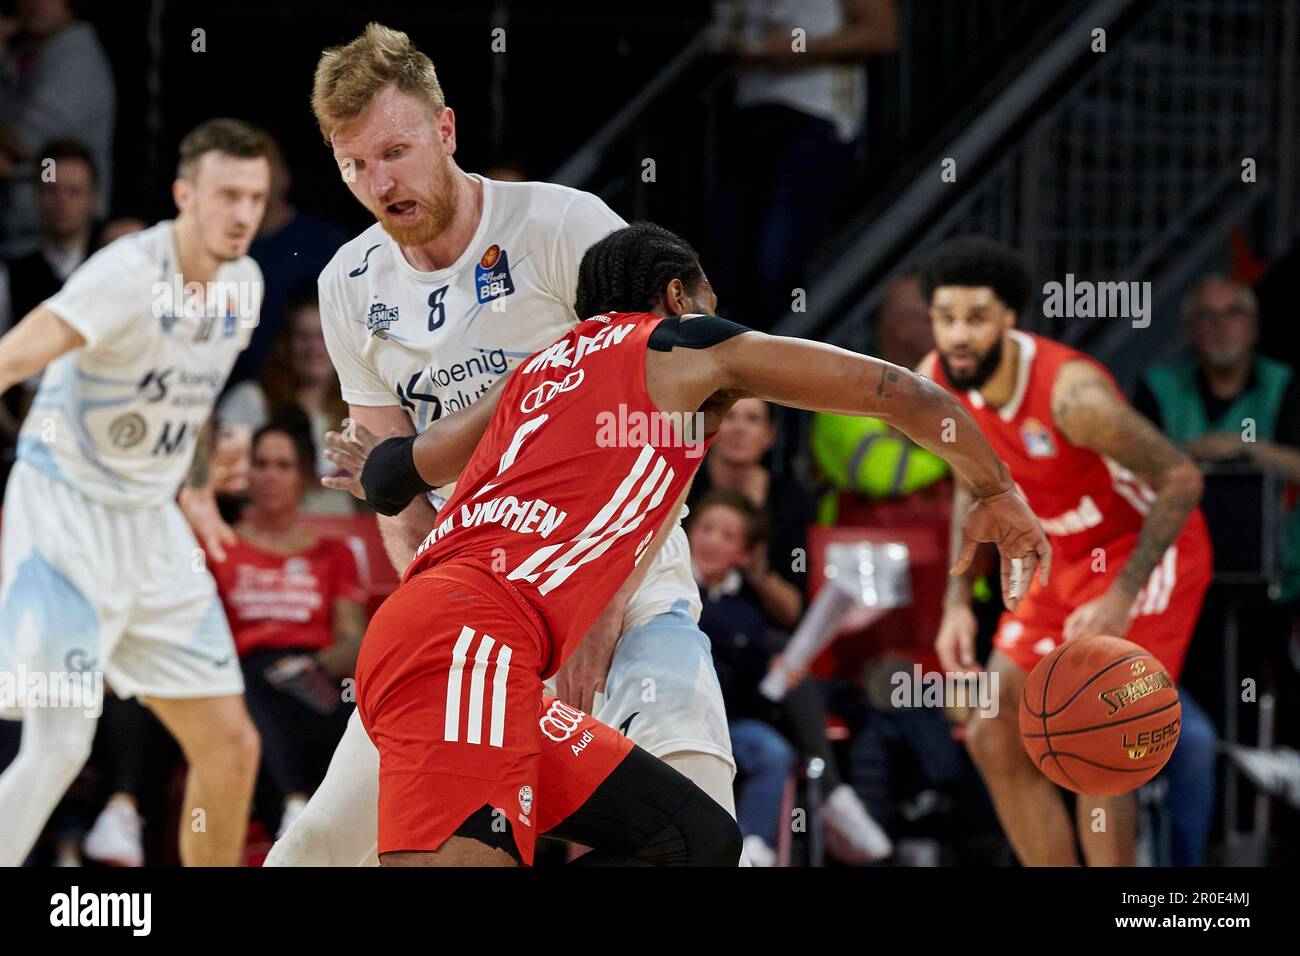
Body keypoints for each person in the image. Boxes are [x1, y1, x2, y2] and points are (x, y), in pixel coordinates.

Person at [321, 221, 1049, 866]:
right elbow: (900, 391)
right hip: (468, 647)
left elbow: (395, 470)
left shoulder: (536, 371)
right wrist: (995, 489)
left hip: (468, 649)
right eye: (712, 301)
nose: (723, 322)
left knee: (696, 842)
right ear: (678, 297)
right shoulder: (684, 342)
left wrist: (366, 466)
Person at [263, 23, 737, 866]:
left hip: (622, 578)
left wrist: (595, 619)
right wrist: (437, 616)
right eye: (353, 164)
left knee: (693, 808)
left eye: (396, 152)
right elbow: (396, 486)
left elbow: (678, 404)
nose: (378, 182)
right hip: (474, 606)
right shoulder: (348, 283)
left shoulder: (563, 225)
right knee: (313, 852)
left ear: (446, 131)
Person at [0, 118, 271, 866]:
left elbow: (189, 400)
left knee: (230, 743)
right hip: (64, 511)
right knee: (59, 744)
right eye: (226, 195)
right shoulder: (126, 273)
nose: (241, 212)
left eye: (254, 196)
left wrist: (191, 490)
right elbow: (14, 354)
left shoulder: (242, 287)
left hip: (150, 526)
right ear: (185, 194)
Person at [919, 236, 1213, 867]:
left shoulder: (1072, 399)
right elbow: (967, 483)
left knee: (1099, 743)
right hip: (1058, 556)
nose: (958, 335)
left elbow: (1183, 479)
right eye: (945, 317)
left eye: (975, 318)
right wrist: (955, 600)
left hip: (1143, 554)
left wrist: (1120, 596)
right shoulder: (935, 380)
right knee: (993, 733)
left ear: (1008, 318)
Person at [689, 489, 891, 865]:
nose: (713, 540)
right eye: (706, 528)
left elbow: (748, 685)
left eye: (728, 535)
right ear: (687, 533)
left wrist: (774, 674)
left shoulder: (747, 605)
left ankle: (754, 848)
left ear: (745, 554)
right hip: (678, 717)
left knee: (774, 747)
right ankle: (835, 795)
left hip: (736, 719)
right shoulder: (673, 590)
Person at [210, 417, 365, 836]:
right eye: (260, 464)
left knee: (359, 716)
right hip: (241, 683)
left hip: (313, 677)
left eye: (283, 465)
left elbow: (353, 640)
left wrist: (310, 666)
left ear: (305, 478)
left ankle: (316, 818)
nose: (269, 476)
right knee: (251, 686)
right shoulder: (219, 546)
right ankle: (291, 803)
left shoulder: (335, 554)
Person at [707, 0, 899, 330]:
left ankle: (791, 355)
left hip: (819, 112)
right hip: (752, 110)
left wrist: (799, 49)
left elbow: (881, 33)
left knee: (780, 257)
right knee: (734, 257)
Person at [0, 138, 98, 472]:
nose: (61, 203)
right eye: (51, 190)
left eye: (74, 192)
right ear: (36, 197)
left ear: (92, 200)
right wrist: (13, 432)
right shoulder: (10, 275)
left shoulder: (111, 269)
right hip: (23, 443)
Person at [229, 138, 348, 386]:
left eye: (260, 169)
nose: (250, 182)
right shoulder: (217, 247)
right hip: (226, 392)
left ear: (284, 176)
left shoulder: (326, 245)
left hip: (308, 397)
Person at [0, 0, 114, 257]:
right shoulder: (24, 53)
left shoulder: (76, 56)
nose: (33, 3)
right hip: (22, 233)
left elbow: (25, 141)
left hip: (66, 239)